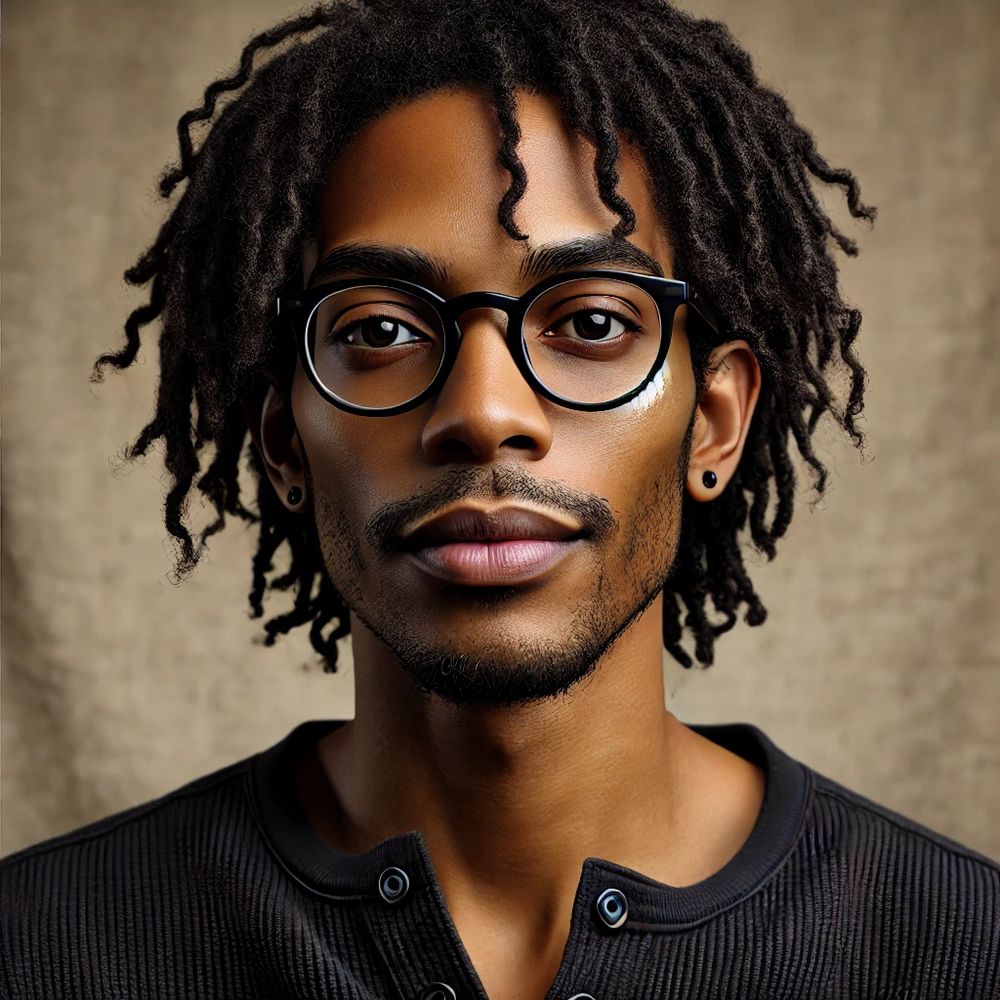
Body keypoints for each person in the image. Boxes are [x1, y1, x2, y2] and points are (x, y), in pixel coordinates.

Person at [2, 2, 997, 998]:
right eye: (381, 333)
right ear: (283, 441)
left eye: (594, 320)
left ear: (715, 423)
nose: (482, 412)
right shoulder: (44, 948)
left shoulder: (957, 951)